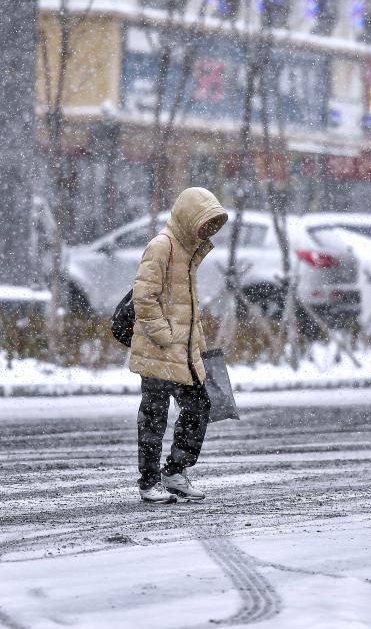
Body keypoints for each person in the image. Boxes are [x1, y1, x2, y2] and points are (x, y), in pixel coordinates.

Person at [130, 187, 228, 504]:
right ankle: (148, 482)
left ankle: (175, 471)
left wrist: (194, 341)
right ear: (188, 216)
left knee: (200, 406)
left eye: (213, 224)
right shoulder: (162, 247)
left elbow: (185, 305)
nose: (208, 230)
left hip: (184, 353)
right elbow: (143, 298)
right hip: (160, 351)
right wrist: (164, 335)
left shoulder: (189, 252)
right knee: (153, 419)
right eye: (205, 222)